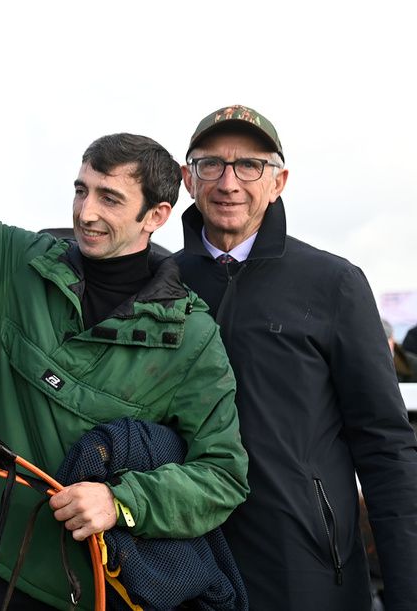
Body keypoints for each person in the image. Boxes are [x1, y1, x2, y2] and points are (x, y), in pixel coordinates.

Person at [0, 60, 249, 610]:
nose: (86, 212)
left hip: (97, 585)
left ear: (157, 215)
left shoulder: (193, 338)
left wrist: (121, 501)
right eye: (81, 190)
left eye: (110, 199)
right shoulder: (19, 264)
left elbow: (222, 475)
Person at [174, 105, 417, 610]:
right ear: (186, 179)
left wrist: (407, 589)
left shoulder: (334, 284)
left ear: (279, 180)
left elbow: (385, 445)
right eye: (210, 164)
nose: (229, 182)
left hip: (307, 570)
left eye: (250, 165)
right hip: (180, 564)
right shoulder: (159, 285)